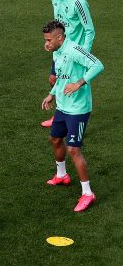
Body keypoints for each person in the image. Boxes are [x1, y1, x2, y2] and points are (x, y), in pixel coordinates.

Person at [40, 20, 103, 212]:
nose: (46, 44)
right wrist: (52, 94)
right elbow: (61, 77)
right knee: (55, 139)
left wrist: (79, 83)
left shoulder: (75, 50)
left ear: (60, 37)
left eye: (49, 40)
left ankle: (88, 193)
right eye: (45, 39)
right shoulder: (57, 51)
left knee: (73, 149)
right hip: (63, 106)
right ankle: (62, 175)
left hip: (78, 108)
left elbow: (98, 65)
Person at [41, 0, 95, 128]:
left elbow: (90, 30)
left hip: (74, 52)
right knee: (54, 79)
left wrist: (83, 53)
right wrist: (51, 41)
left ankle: (76, 117)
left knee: (76, 85)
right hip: (59, 48)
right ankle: (61, 113)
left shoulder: (78, 2)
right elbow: (57, 23)